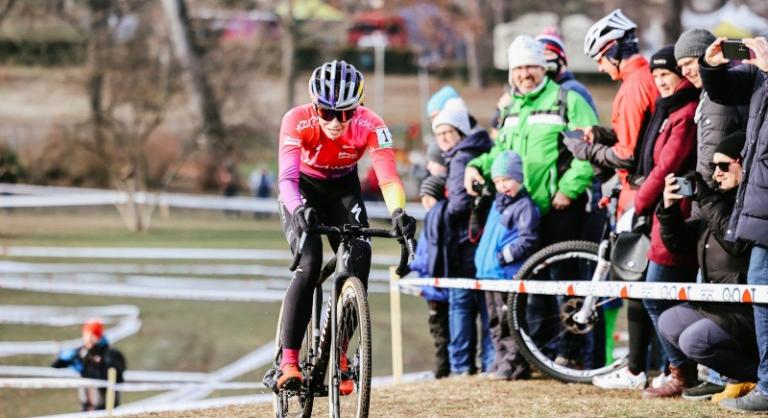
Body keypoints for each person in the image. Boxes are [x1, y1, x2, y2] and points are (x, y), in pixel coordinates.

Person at [276, 60, 417, 391]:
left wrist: (398, 211)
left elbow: (387, 175)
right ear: (315, 106)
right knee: (309, 265)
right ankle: (289, 362)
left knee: (358, 260)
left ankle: (340, 354)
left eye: (346, 112)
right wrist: (298, 210)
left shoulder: (373, 125)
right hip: (302, 191)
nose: (337, 121)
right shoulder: (296, 120)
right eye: (327, 112)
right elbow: (286, 180)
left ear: (359, 106)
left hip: (343, 189)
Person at [465, 34, 597, 368]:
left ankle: (572, 355)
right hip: (523, 212)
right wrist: (475, 166)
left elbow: (589, 151)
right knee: (530, 288)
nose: (525, 74)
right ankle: (540, 356)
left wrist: (569, 188)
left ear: (544, 68)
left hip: (559, 208)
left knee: (567, 284)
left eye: (531, 67)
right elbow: (499, 153)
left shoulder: (567, 99)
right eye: (519, 68)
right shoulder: (509, 105)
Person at [570, 9, 660, 390]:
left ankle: (637, 369)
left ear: (611, 51)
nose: (600, 68)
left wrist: (584, 150)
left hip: (638, 193)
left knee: (635, 279)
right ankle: (647, 366)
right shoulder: (646, 79)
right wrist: (602, 134)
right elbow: (637, 141)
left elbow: (626, 156)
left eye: (598, 60)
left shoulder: (631, 86)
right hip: (643, 189)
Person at [673, 27, 749, 400]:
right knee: (707, 298)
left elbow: (717, 155)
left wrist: (705, 196)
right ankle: (720, 374)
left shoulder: (718, 98)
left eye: (690, 63)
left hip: (719, 202)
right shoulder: (706, 95)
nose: (686, 71)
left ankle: (730, 375)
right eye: (683, 65)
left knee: (724, 299)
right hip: (710, 202)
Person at [657, 130, 756, 403]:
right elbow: (679, 243)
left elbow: (734, 240)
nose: (717, 174)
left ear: (745, 164)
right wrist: (669, 208)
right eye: (714, 167)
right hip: (716, 305)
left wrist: (705, 197)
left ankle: (758, 377)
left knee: (693, 341)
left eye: (724, 166)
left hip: (746, 311)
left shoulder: (753, 205)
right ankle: (737, 377)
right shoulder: (718, 201)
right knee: (669, 322)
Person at [624, 45, 700, 399]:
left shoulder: (683, 114)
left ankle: (682, 372)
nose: (659, 82)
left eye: (666, 74)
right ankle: (682, 369)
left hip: (675, 213)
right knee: (664, 295)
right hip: (665, 211)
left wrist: (638, 204)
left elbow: (667, 165)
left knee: (656, 294)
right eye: (655, 76)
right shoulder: (667, 109)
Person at [700, 35, 768, 412]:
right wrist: (712, 67)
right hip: (759, 206)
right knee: (760, 292)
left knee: (762, 292)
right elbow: (726, 91)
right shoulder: (760, 76)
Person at [432, 102, 494, 375]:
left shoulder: (460, 158)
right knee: (486, 304)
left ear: (460, 131)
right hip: (480, 239)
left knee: (461, 304)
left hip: (463, 242)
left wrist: (437, 207)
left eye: (449, 132)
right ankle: (489, 362)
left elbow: (458, 204)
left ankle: (461, 366)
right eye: (439, 133)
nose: (444, 138)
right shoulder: (479, 149)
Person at [475, 150, 540, 380]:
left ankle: (514, 364)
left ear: (519, 178)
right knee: (494, 322)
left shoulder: (524, 206)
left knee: (508, 322)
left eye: (507, 180)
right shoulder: (496, 205)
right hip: (489, 275)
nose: (503, 185)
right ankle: (500, 360)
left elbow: (528, 239)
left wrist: (506, 255)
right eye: (498, 181)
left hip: (507, 274)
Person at [410, 173, 451, 379]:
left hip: (437, 290)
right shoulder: (430, 219)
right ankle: (442, 366)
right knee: (437, 329)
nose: (425, 201)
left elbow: (429, 257)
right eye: (423, 196)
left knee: (440, 330)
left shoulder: (437, 218)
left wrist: (412, 264)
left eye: (429, 196)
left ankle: (442, 369)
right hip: (430, 287)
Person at [51, 319, 126, 411]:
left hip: (106, 408)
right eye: (86, 335)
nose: (88, 339)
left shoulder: (110, 354)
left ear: (98, 336)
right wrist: (62, 359)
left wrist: (94, 364)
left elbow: (116, 377)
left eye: (92, 335)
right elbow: (54, 367)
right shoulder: (81, 353)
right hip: (86, 408)